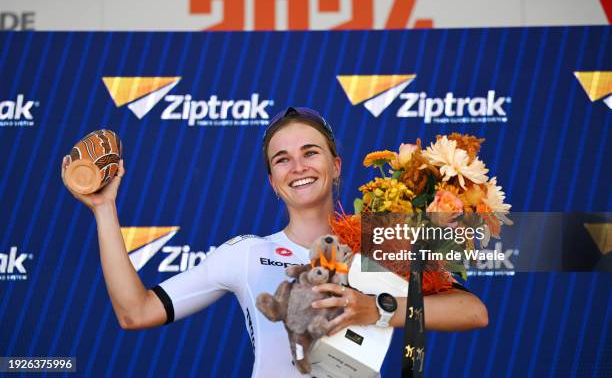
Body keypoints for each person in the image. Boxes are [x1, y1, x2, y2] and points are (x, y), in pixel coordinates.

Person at [61, 107, 488, 377]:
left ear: (336, 166)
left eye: (310, 152)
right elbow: (135, 313)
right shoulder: (245, 254)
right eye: (282, 159)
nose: (297, 166)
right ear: (272, 181)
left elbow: (473, 311)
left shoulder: (381, 244)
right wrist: (104, 210)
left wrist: (374, 309)